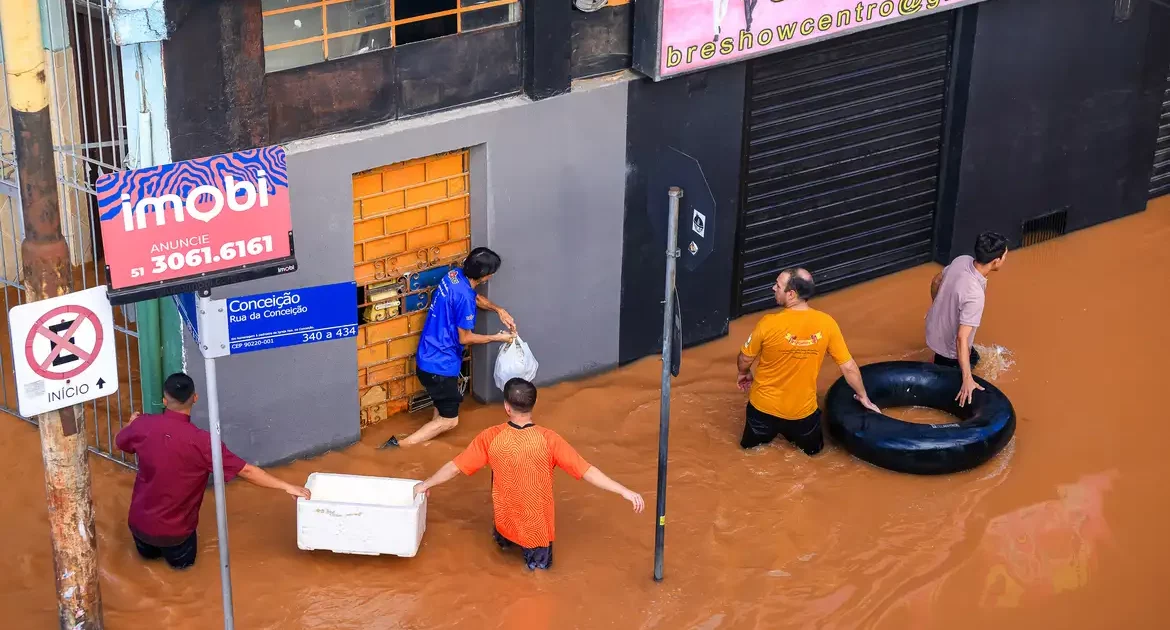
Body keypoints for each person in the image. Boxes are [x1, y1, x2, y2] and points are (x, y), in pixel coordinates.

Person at [413, 378, 644, 570]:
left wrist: (425, 483)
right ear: (533, 406)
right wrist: (624, 491)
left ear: (506, 406)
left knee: (501, 557)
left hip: (504, 522)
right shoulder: (549, 440)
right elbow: (587, 471)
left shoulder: (490, 437)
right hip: (536, 531)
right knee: (538, 580)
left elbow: (456, 467)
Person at [115, 373, 310, 570]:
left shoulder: (142, 425)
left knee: (146, 568)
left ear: (165, 401)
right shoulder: (203, 443)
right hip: (176, 534)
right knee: (183, 574)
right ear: (195, 398)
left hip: (139, 526)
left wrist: (131, 424)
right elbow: (247, 471)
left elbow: (120, 442)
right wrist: (287, 486)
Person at [736, 268, 880, 456]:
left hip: (762, 410)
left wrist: (743, 372)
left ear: (791, 294)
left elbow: (745, 357)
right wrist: (863, 397)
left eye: (777, 286)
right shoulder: (827, 324)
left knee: (748, 454)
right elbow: (848, 366)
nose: (773, 288)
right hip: (802, 415)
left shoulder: (768, 323)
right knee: (814, 456)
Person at [382, 247, 516, 449]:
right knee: (450, 421)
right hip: (440, 367)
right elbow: (465, 338)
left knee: (441, 409)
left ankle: (428, 442)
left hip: (427, 357)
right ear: (485, 276)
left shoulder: (453, 276)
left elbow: (474, 297)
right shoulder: (465, 301)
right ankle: (399, 446)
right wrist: (497, 338)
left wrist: (499, 310)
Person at [925, 231, 1008, 407]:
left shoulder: (961, 260)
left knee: (974, 356)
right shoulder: (975, 295)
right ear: (996, 261)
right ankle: (938, 366)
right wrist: (967, 378)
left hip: (932, 328)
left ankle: (939, 361)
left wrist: (937, 306)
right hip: (948, 348)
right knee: (964, 367)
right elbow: (961, 338)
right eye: (1005, 255)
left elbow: (936, 281)